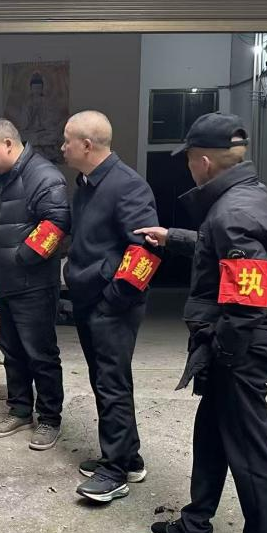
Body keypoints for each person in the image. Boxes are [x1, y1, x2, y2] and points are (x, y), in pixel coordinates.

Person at [138, 113, 267, 533]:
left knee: (246, 441)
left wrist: (222, 353)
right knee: (211, 434)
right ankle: (195, 524)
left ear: (202, 162)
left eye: (188, 159)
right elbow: (216, 247)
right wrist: (173, 238)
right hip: (230, 341)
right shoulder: (245, 196)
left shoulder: (233, 213)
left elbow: (246, 301)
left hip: (240, 347)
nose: (188, 166)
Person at [59, 110, 160, 504]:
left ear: (87, 145)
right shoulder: (87, 185)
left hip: (112, 304)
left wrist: (113, 299)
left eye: (67, 140)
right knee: (106, 378)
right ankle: (127, 458)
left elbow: (147, 249)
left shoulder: (127, 185)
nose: (62, 147)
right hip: (90, 299)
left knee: (111, 382)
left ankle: (115, 471)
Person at [0, 118, 70, 451]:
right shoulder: (0, 178)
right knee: (12, 350)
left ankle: (49, 418)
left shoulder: (44, 176)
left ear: (8, 144)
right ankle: (19, 409)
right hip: (6, 283)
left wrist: (21, 258)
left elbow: (57, 223)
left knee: (40, 354)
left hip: (33, 284)